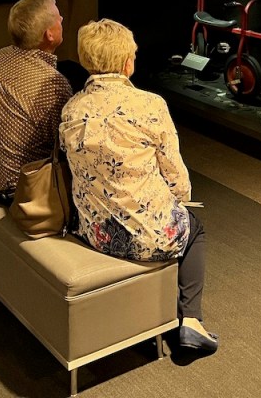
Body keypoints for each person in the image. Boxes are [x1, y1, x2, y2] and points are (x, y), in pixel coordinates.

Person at [60, 19, 218, 353]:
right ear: (126, 63)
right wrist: (180, 202)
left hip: (96, 234)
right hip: (149, 236)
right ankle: (191, 320)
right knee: (195, 229)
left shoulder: (72, 108)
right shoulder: (150, 105)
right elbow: (176, 177)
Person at [0, 0, 73, 202]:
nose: (62, 18)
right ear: (49, 35)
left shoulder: (0, 56)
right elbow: (67, 146)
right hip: (23, 191)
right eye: (58, 17)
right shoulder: (52, 85)